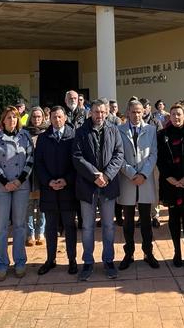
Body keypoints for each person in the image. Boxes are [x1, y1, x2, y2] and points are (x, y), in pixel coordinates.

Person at [72, 99, 124, 281]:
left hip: (108, 187)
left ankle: (109, 261)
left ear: (107, 112)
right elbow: (77, 157)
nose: (99, 115)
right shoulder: (80, 132)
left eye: (102, 112)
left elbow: (119, 155)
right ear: (90, 112)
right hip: (87, 187)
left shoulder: (114, 130)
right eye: (96, 112)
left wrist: (106, 176)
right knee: (87, 227)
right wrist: (95, 175)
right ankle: (87, 262)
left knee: (109, 226)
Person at [0, 107, 34, 281]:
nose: (12, 120)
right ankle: (2, 263)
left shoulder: (25, 137)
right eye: (9, 117)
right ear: (3, 120)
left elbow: (30, 160)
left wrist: (19, 181)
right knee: (1, 227)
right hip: (1, 188)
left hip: (21, 185)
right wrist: (5, 182)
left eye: (15, 117)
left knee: (20, 225)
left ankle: (20, 261)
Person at [34, 106, 78, 276]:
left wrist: (66, 180)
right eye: (54, 117)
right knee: (50, 227)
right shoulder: (44, 138)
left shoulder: (73, 136)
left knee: (70, 225)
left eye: (60, 117)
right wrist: (49, 181)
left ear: (65, 118)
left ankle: (72, 260)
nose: (57, 120)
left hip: (68, 189)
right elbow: (39, 163)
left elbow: (77, 161)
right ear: (49, 118)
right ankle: (50, 259)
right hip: (49, 189)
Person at [116, 99, 159, 270]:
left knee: (146, 220)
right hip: (128, 180)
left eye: (139, 112)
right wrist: (132, 174)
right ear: (128, 113)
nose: (136, 115)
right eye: (133, 112)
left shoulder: (151, 130)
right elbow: (118, 156)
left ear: (144, 112)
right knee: (127, 222)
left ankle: (148, 252)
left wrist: (143, 174)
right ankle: (129, 253)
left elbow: (153, 154)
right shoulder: (119, 130)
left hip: (145, 180)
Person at [157, 101, 184, 268]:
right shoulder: (162, 135)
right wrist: (170, 179)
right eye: (173, 114)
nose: (176, 117)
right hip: (170, 183)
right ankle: (177, 252)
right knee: (173, 219)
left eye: (179, 114)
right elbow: (159, 159)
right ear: (169, 116)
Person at [24, 107, 48, 248]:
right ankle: (30, 234)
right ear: (30, 118)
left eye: (39, 116)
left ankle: (40, 233)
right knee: (29, 208)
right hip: (28, 175)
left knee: (41, 207)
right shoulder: (25, 133)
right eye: (34, 117)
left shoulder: (46, 132)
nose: (37, 119)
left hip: (42, 175)